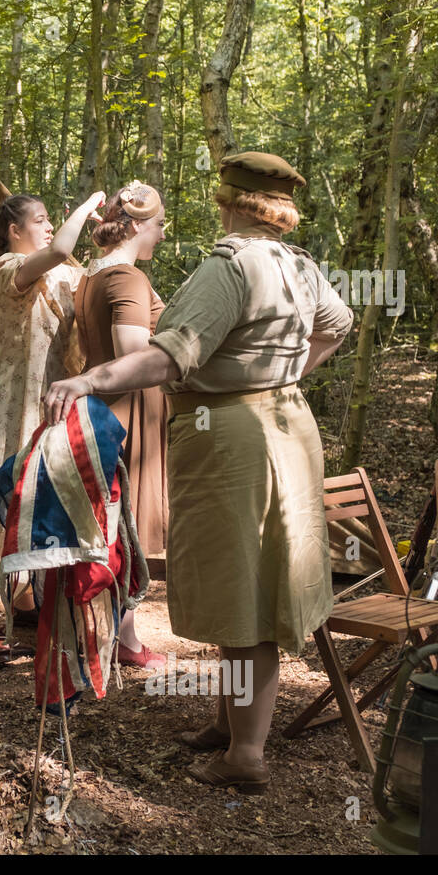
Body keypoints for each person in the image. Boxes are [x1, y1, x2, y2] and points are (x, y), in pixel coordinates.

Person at [42, 152, 353, 793]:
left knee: (248, 593)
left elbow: (164, 359)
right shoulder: (298, 264)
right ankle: (231, 722)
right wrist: (285, 375)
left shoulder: (232, 266)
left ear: (229, 200)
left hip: (235, 437)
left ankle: (246, 753)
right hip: (285, 426)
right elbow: (338, 325)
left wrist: (87, 380)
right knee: (242, 578)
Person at [0, 191, 105, 636]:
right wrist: (84, 209)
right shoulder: (5, 267)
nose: (49, 226)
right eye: (41, 220)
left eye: (51, 220)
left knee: (43, 501)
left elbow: (96, 287)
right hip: (10, 404)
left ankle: (30, 601)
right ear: (14, 231)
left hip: (57, 402)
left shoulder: (68, 274)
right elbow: (60, 248)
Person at [74, 181, 168, 669]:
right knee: (123, 521)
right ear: (135, 227)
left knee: (111, 522)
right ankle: (122, 640)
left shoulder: (93, 274)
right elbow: (132, 354)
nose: (161, 235)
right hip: (126, 408)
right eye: (157, 226)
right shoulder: (127, 279)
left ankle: (115, 633)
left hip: (103, 407)